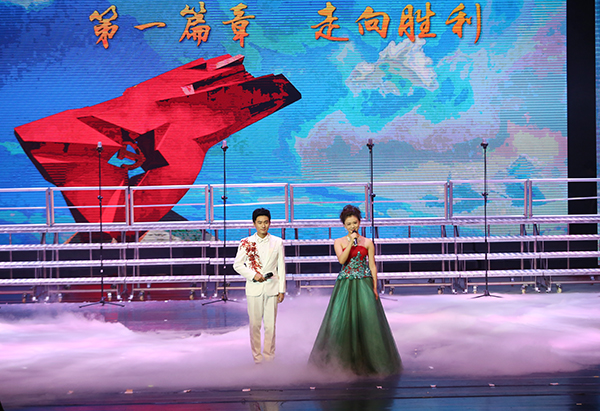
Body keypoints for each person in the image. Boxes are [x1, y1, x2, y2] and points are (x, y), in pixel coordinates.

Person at [309, 204, 402, 376]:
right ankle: (340, 362)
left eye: (355, 223)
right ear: (344, 226)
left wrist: (375, 287)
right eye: (349, 224)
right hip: (345, 284)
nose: (352, 226)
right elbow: (341, 260)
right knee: (341, 321)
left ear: (360, 222)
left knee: (368, 321)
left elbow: (372, 266)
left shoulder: (368, 242)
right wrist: (351, 243)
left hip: (364, 283)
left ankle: (372, 361)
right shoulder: (339, 242)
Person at [234, 208, 286, 364]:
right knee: (255, 325)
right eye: (260, 222)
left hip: (272, 288)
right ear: (254, 224)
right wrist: (253, 275)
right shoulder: (246, 242)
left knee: (270, 326)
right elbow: (237, 265)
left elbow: (281, 267)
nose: (263, 225)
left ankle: (269, 359)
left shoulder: (277, 241)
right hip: (254, 288)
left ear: (270, 223)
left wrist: (282, 289)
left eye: (266, 222)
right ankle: (257, 358)